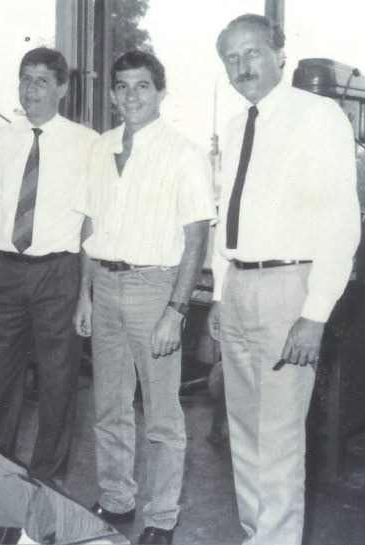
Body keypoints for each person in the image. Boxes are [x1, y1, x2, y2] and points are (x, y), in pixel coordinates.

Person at [208, 14, 361, 545]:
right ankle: (257, 535)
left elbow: (341, 222)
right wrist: (219, 293)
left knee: (279, 440)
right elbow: (227, 215)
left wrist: (314, 315)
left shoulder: (318, 116)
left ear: (279, 54)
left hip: (288, 290)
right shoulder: (235, 127)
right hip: (238, 287)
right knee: (245, 433)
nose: (242, 66)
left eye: (251, 52)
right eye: (231, 58)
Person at [74, 50, 216, 545]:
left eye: (141, 86)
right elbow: (89, 226)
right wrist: (84, 294)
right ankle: (117, 499)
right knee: (109, 406)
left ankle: (161, 518)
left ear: (160, 92)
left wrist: (176, 311)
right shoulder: (101, 148)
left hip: (154, 290)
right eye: (122, 86)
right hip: (105, 286)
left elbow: (196, 239)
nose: (131, 95)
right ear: (112, 94)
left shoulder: (184, 153)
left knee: (161, 415)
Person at [0, 47, 98, 482]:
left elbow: (92, 219)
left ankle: (48, 480)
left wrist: (83, 289)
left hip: (57, 275)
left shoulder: (87, 144)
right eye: (25, 78)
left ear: (62, 88)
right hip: (2, 273)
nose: (31, 89)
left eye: (43, 80)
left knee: (58, 383)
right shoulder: (2, 139)